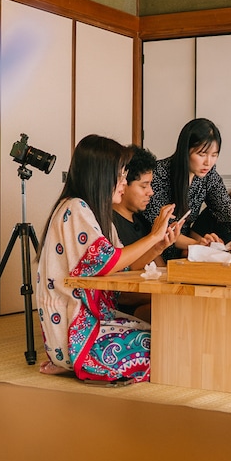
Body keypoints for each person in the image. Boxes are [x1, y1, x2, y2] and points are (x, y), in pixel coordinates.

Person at [35, 134, 177, 383]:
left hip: (93, 318)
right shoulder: (75, 208)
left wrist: (158, 245)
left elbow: (126, 265)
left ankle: (71, 363)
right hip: (77, 328)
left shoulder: (95, 214)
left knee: (166, 335)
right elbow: (108, 261)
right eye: (121, 175)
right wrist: (153, 236)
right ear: (102, 176)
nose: (123, 183)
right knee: (167, 351)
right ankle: (73, 361)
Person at [142, 118, 231, 257]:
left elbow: (226, 207)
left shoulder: (208, 175)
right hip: (150, 254)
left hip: (181, 254)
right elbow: (160, 230)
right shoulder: (159, 174)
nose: (208, 162)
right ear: (185, 150)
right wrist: (198, 244)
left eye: (214, 155)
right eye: (202, 154)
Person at [112, 145, 168, 268]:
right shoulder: (108, 225)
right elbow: (122, 269)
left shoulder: (143, 222)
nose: (150, 192)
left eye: (150, 184)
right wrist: (154, 238)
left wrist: (159, 246)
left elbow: (161, 270)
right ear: (123, 183)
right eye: (144, 186)